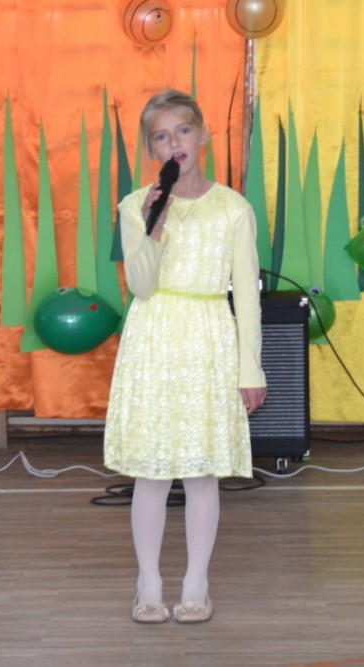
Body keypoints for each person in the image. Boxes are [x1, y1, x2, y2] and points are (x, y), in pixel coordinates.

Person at [103, 89, 268, 624]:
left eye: (183, 130)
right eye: (161, 136)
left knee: (202, 471)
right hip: (154, 337)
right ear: (150, 147)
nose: (174, 142)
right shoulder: (136, 205)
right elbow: (142, 286)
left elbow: (247, 294)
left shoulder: (233, 208)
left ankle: (196, 582)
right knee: (151, 471)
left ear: (203, 135)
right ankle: (148, 582)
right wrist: (154, 224)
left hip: (208, 338)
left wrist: (250, 368)